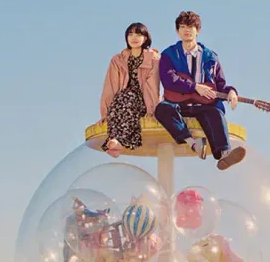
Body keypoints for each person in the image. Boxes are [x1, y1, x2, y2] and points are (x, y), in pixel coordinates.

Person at [155, 11, 246, 170]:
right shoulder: (169, 54)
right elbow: (168, 79)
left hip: (204, 105)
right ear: (177, 31)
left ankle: (225, 154)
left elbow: (219, 84)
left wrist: (231, 92)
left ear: (198, 30)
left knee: (215, 113)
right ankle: (193, 143)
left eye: (190, 26)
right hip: (178, 103)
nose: (186, 30)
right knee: (162, 109)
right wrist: (195, 87)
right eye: (182, 27)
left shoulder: (211, 57)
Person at [99, 22, 161, 157]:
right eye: (130, 34)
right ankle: (114, 142)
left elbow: (153, 86)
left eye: (138, 34)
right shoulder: (118, 60)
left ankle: (119, 142)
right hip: (121, 100)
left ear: (145, 38)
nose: (134, 38)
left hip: (143, 100)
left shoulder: (153, 59)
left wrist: (152, 111)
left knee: (128, 98)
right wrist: (105, 113)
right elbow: (110, 86)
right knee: (119, 101)